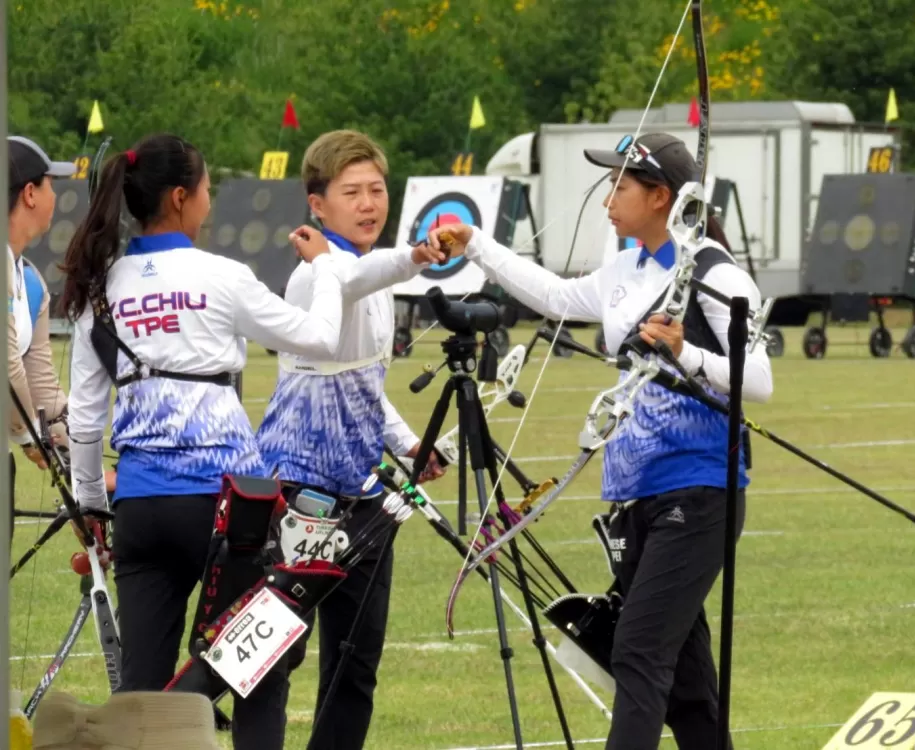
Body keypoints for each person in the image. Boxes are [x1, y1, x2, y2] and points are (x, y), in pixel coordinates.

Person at [62, 133, 454, 750]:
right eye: (208, 188)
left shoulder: (99, 283)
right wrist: (324, 264)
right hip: (229, 507)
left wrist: (91, 507)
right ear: (183, 197)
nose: (212, 200)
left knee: (141, 690)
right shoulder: (221, 275)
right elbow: (320, 338)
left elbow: (84, 420)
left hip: (140, 504)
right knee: (258, 674)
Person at [427, 132, 773, 750]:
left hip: (700, 494)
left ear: (662, 196)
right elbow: (557, 298)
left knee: (637, 652)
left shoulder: (719, 275)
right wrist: (476, 244)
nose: (607, 197)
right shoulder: (627, 267)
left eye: (621, 186)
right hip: (637, 494)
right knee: (688, 687)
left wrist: (683, 349)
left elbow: (762, 382)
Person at [257, 129, 445, 750]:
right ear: (317, 204)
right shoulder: (318, 277)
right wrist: (417, 255)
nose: (370, 204)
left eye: (377, 190)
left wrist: (409, 444)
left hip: (365, 491)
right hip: (301, 488)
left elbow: (364, 384)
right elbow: (351, 277)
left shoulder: (358, 270)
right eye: (352, 192)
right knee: (277, 653)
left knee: (356, 660)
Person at [6, 136, 76, 540]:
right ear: (30, 193)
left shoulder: (30, 281)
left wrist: (71, 445)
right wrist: (30, 436)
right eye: (51, 183)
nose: (56, 194)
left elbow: (41, 383)